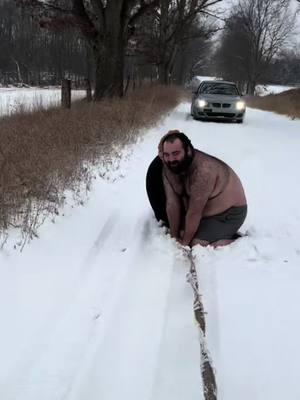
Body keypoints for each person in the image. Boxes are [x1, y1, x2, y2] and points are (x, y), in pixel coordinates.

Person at [146, 130, 247, 247]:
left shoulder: (203, 170)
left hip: (229, 214)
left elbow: (194, 213)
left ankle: (239, 242)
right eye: (167, 155)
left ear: (188, 150)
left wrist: (184, 243)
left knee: (195, 243)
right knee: (183, 233)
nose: (171, 159)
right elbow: (172, 204)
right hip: (205, 214)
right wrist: (174, 237)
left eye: (176, 153)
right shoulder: (170, 166)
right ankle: (211, 234)